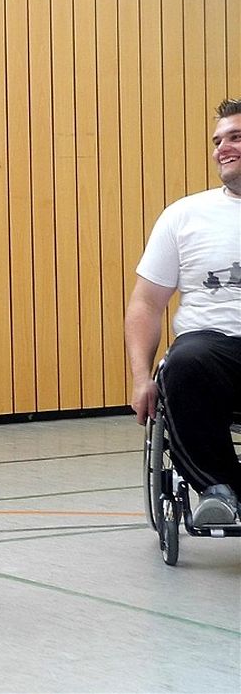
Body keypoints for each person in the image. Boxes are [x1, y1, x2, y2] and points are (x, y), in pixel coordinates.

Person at [126, 98, 241, 527]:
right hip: (212, 347)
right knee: (185, 362)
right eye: (217, 140)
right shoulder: (184, 215)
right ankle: (221, 490)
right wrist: (141, 377)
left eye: (235, 137)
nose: (222, 148)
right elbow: (145, 303)